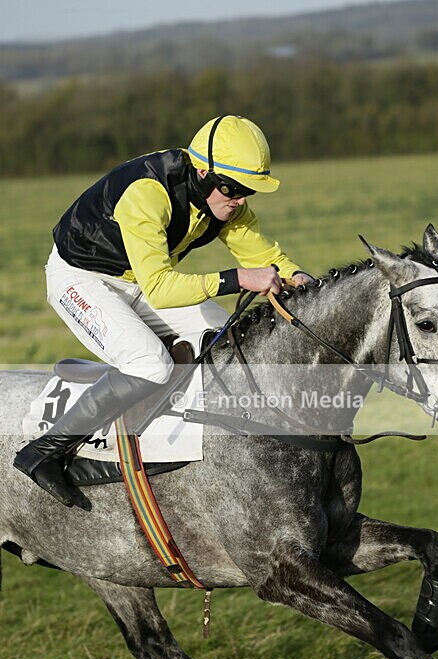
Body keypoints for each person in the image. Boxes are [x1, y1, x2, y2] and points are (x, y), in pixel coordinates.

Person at [14, 115, 312, 507]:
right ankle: (44, 452)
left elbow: (261, 253)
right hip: (81, 277)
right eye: (233, 188)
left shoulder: (223, 200)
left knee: (231, 340)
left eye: (248, 191)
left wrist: (298, 277)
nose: (239, 199)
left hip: (136, 277)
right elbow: (161, 287)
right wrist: (236, 279)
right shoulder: (148, 192)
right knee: (148, 364)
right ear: (203, 172)